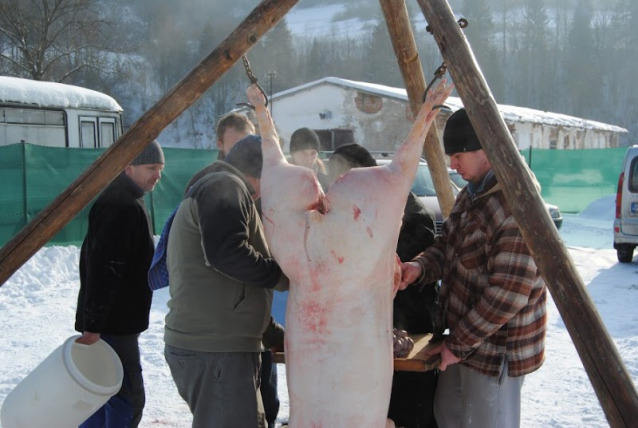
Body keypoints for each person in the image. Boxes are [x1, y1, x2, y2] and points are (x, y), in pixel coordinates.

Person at [399, 108, 548, 428]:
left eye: (458, 155)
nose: (452, 164)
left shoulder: (517, 204)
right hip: (466, 340)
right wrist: (418, 268)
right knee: (448, 415)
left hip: (498, 351)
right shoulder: (472, 193)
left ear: (486, 151)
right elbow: (448, 247)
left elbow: (509, 294)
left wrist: (458, 344)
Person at [164, 135, 288, 428]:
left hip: (218, 347)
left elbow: (226, 287)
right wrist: (284, 276)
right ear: (261, 172)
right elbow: (226, 254)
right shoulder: (226, 186)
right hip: (216, 351)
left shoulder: (219, 186)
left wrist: (270, 333)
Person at [328, 143, 439, 428]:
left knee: (409, 414)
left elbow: (379, 266)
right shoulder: (362, 211)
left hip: (412, 335)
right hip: (373, 336)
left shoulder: (411, 215)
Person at [75, 140, 165, 427]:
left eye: (160, 168)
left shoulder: (123, 199)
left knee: (103, 393)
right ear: (128, 167)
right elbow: (104, 268)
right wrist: (93, 326)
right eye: (151, 167)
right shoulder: (122, 206)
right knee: (127, 397)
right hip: (113, 326)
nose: (158, 175)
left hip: (112, 324)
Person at [185, 112, 256, 192]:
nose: (243, 154)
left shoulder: (264, 175)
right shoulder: (202, 181)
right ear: (220, 145)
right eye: (235, 149)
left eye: (247, 147)